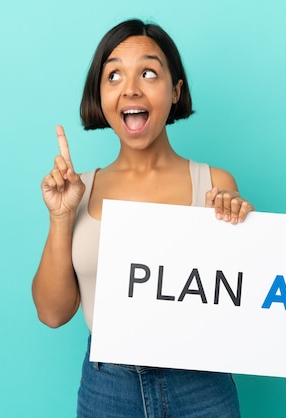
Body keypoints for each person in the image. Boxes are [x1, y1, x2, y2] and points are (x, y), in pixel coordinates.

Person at [32, 19, 253, 417]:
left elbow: (241, 294)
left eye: (148, 73)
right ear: (100, 96)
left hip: (201, 384)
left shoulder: (214, 183)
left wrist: (241, 225)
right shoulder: (77, 190)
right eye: (113, 75)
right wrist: (61, 217)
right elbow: (52, 313)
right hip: (108, 387)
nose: (131, 88)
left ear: (176, 91)